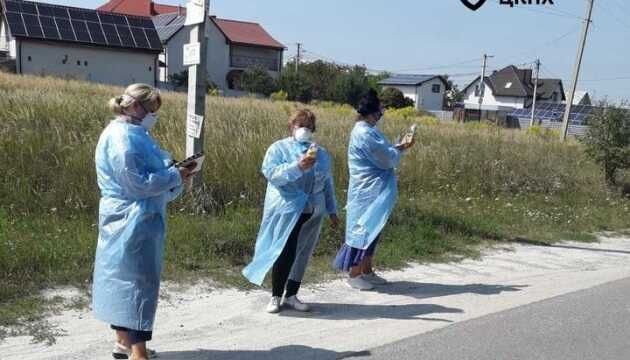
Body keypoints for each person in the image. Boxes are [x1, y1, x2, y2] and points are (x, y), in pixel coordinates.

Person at [92, 84, 195, 360]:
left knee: (121, 278)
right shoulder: (124, 138)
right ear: (137, 106)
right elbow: (138, 184)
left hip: (126, 216)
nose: (153, 115)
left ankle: (123, 343)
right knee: (139, 283)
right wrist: (175, 176)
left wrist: (176, 174)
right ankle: (139, 353)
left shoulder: (130, 133)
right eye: (152, 110)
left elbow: (150, 174)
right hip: (134, 219)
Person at [243, 109, 339, 313]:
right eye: (300, 125)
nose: (304, 129)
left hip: (313, 211)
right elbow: (272, 174)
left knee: (303, 253)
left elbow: (327, 182)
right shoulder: (278, 149)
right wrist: (298, 166)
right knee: (285, 251)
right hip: (287, 210)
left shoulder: (321, 153)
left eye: (309, 126)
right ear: (291, 127)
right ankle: (276, 296)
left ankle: (292, 295)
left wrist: (332, 210)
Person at [333, 89, 415, 290]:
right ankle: (354, 274)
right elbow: (385, 158)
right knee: (361, 231)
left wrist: (396, 147)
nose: (381, 116)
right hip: (366, 191)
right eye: (379, 112)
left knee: (373, 230)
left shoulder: (370, 130)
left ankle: (367, 271)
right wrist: (403, 148)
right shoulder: (364, 133)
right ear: (372, 113)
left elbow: (385, 151)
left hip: (375, 190)